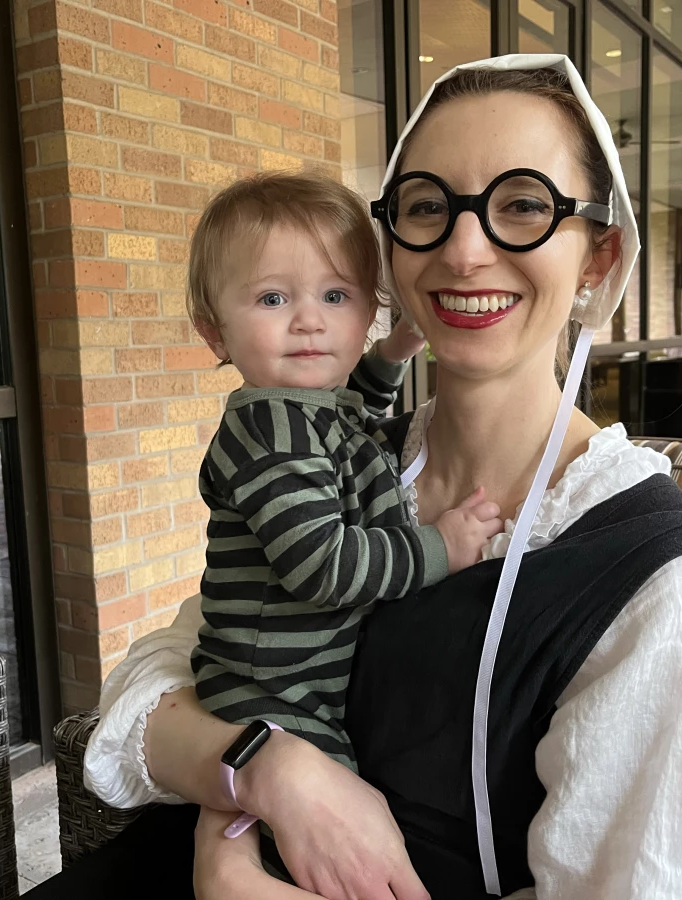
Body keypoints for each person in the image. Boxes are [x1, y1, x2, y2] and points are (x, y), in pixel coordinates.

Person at [27, 55, 682, 900]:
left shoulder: (662, 590)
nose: (463, 248)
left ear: (599, 257)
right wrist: (267, 777)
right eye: (427, 208)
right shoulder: (342, 446)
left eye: (522, 205)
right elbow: (152, 681)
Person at [184, 173, 502, 824]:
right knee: (339, 819)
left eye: (336, 295)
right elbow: (322, 566)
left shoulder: (311, 410)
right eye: (272, 298)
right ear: (215, 333)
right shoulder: (270, 433)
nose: (309, 321)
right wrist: (441, 544)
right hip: (269, 694)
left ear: (367, 310)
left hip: (302, 684)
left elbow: (354, 412)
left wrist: (398, 349)